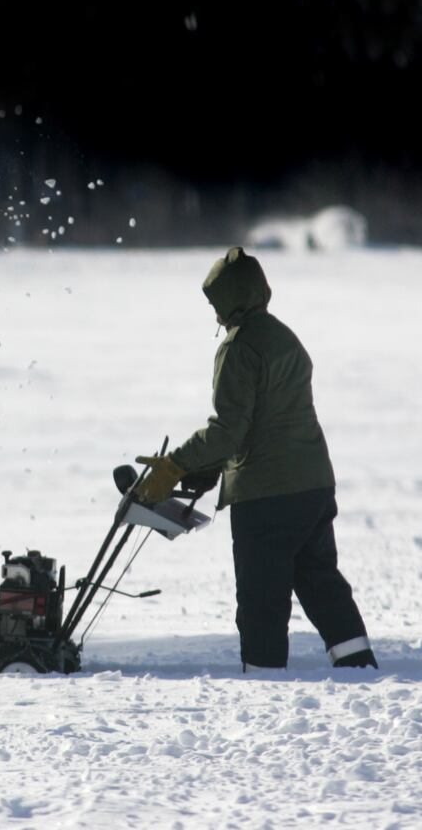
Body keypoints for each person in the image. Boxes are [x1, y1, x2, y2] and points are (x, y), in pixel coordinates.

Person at [135, 247, 375, 673]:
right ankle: (358, 666)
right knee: (320, 581)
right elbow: (266, 420)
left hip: (267, 496)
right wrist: (209, 469)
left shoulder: (240, 346)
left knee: (261, 597)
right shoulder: (285, 337)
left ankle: (266, 689)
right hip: (314, 484)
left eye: (217, 304)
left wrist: (175, 466)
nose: (215, 315)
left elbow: (228, 429)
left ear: (233, 300)